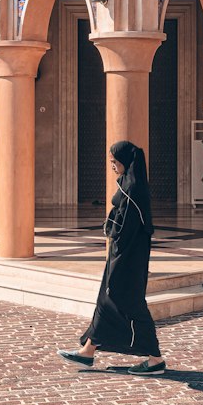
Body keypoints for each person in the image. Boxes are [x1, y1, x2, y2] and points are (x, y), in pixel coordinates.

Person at [58, 140, 165, 375]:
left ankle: (155, 359)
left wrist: (112, 235)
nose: (112, 166)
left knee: (130, 303)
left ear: (125, 160)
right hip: (120, 254)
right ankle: (88, 351)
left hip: (128, 258)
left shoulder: (135, 187)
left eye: (114, 161)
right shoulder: (129, 183)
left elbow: (128, 227)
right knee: (106, 299)